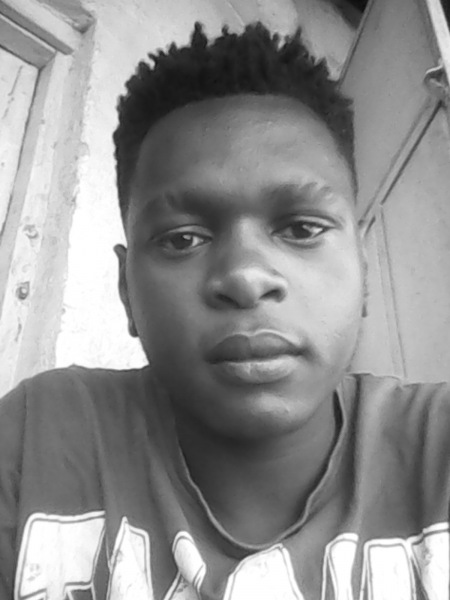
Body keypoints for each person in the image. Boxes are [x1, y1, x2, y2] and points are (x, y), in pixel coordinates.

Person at [0, 22, 449, 600]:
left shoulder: (437, 448)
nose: (245, 277)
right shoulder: (39, 440)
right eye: (183, 239)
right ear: (126, 290)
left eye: (301, 229)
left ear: (363, 269)